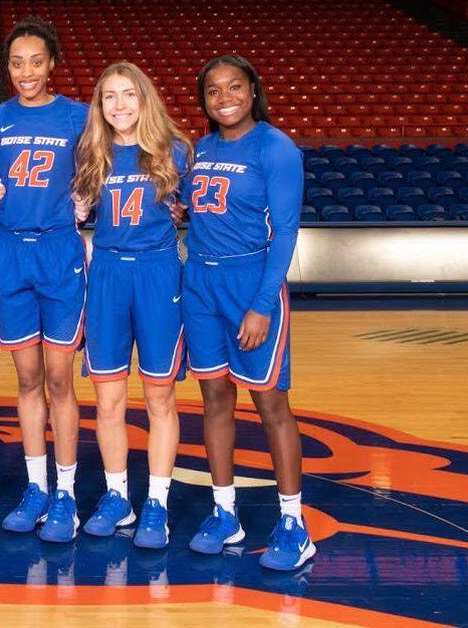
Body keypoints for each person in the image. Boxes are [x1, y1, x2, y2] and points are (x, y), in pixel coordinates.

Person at [181, 54, 312, 571]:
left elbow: (284, 234)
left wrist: (261, 306)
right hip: (202, 284)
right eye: (213, 91)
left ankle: (293, 523)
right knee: (214, 397)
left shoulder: (276, 149)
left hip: (250, 282)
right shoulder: (202, 149)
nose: (225, 97)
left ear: (253, 90)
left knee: (269, 404)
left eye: (235, 86)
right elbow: (200, 210)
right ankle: (225, 512)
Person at [72, 61, 190, 550]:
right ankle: (117, 495)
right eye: (109, 97)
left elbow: (201, 214)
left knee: (160, 397)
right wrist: (78, 216)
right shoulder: (90, 154)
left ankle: (157, 502)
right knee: (107, 399)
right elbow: (76, 217)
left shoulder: (176, 152)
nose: (119, 105)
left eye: (128, 95)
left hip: (159, 273)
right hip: (107, 276)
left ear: (146, 99)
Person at [0, 16, 87, 542]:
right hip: (12, 256)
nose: (26, 71)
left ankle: (67, 492)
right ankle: (36, 487)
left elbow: (100, 171)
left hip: (59, 251)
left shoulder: (77, 117)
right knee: (27, 380)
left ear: (53, 64)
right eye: (17, 62)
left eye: (36, 61)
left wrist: (87, 203)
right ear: (8, 68)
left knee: (59, 379)